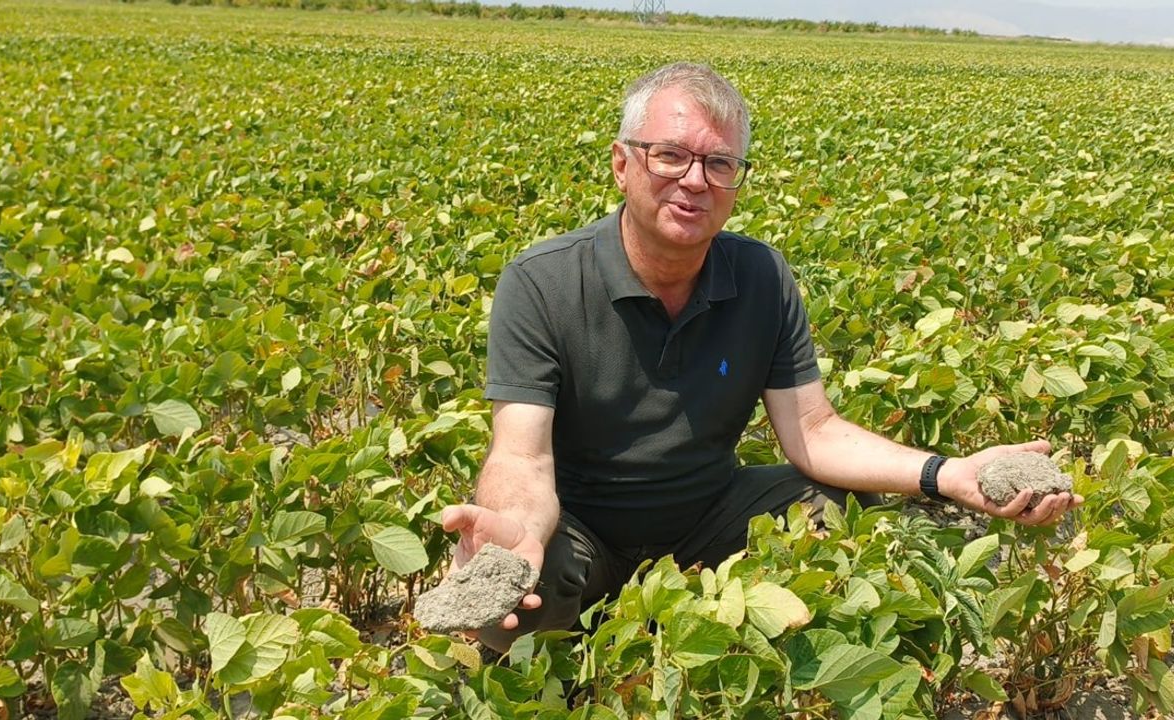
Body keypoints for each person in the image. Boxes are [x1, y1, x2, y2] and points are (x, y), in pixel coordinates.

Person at [440, 62, 1083, 652]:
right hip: (586, 534)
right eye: (670, 156)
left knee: (848, 509)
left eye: (720, 164)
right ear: (622, 164)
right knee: (518, 592)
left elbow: (813, 431)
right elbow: (521, 454)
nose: (695, 181)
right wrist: (515, 528)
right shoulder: (543, 281)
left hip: (710, 522)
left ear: (737, 181)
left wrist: (953, 474)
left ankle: (731, 636)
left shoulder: (760, 275)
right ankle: (587, 644)